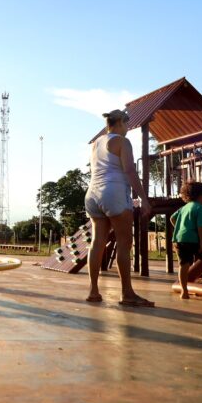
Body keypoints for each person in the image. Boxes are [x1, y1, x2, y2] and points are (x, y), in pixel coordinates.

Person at [84, 109, 154, 306]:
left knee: (97, 242)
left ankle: (93, 291)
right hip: (113, 192)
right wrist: (144, 199)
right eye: (127, 124)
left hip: (92, 195)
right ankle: (127, 293)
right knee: (125, 243)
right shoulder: (123, 142)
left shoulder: (97, 143)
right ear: (121, 123)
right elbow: (130, 170)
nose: (128, 128)